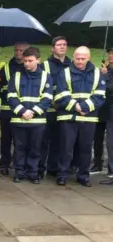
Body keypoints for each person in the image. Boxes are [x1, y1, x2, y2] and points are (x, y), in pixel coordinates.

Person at [55, 46, 106, 187]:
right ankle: (62, 175)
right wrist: (76, 106)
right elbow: (61, 94)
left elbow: (100, 95)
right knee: (66, 148)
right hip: (68, 117)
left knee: (85, 149)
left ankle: (83, 176)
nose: (79, 61)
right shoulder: (64, 73)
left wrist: (84, 107)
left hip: (88, 118)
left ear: (89, 58)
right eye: (77, 58)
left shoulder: (97, 73)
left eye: (83, 58)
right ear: (74, 57)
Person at [8, 47, 54, 184]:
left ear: (38, 60)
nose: (26, 63)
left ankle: (33, 173)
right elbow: (11, 96)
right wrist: (23, 111)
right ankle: (19, 172)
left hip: (37, 121)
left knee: (35, 148)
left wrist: (32, 112)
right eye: (25, 61)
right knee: (19, 148)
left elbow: (47, 99)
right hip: (19, 120)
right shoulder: (16, 76)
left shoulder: (46, 77)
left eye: (30, 61)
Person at [39, 36, 71, 178]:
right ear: (53, 48)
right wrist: (52, 101)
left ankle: (53, 168)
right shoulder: (45, 65)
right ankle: (40, 169)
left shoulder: (71, 64)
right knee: (43, 141)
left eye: (64, 44)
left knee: (59, 141)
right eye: (59, 45)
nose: (62, 47)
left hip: (65, 109)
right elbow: (41, 85)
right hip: (49, 110)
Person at [0, 42, 30, 176]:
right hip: (7, 110)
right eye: (16, 50)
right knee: (6, 140)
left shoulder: (31, 68)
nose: (18, 53)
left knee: (22, 142)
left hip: (24, 112)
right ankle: (4, 164)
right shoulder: (6, 68)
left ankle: (21, 166)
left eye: (22, 50)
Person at [100, 47, 113, 185]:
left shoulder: (107, 72)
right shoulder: (107, 68)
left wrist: (105, 76)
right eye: (110, 53)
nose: (110, 55)